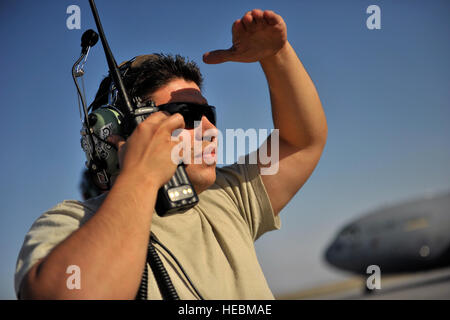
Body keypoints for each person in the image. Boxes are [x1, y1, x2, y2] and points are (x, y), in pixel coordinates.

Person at [15, 9, 327, 299]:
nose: (211, 131)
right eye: (188, 115)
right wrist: (141, 178)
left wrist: (276, 57)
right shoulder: (71, 222)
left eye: (209, 115)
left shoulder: (226, 197)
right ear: (122, 131)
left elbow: (301, 142)